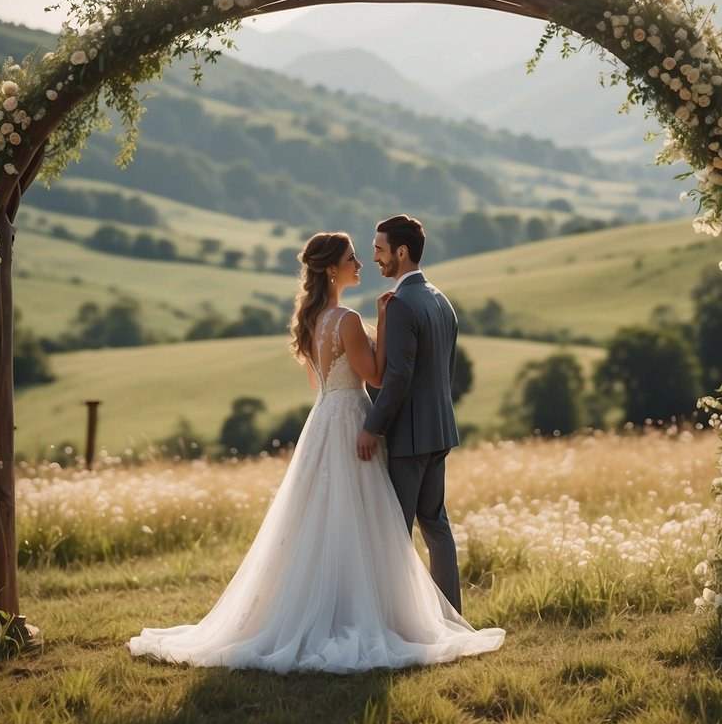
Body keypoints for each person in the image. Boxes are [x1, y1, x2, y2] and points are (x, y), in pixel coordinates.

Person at [128, 231, 503, 673]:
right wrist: (381, 323)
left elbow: (319, 381)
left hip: (325, 416)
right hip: (352, 421)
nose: (361, 262)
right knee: (366, 524)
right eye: (352, 258)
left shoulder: (311, 321)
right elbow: (379, 377)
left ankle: (335, 607)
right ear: (331, 269)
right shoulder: (345, 319)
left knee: (324, 520)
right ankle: (376, 613)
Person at [356, 215, 464, 612]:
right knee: (436, 525)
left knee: (395, 533)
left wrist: (372, 425)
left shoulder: (402, 304)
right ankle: (451, 616)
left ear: (401, 252)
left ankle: (399, 624)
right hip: (439, 430)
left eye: (380, 250)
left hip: (409, 437)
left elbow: (397, 376)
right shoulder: (440, 299)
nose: (374, 258)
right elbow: (443, 372)